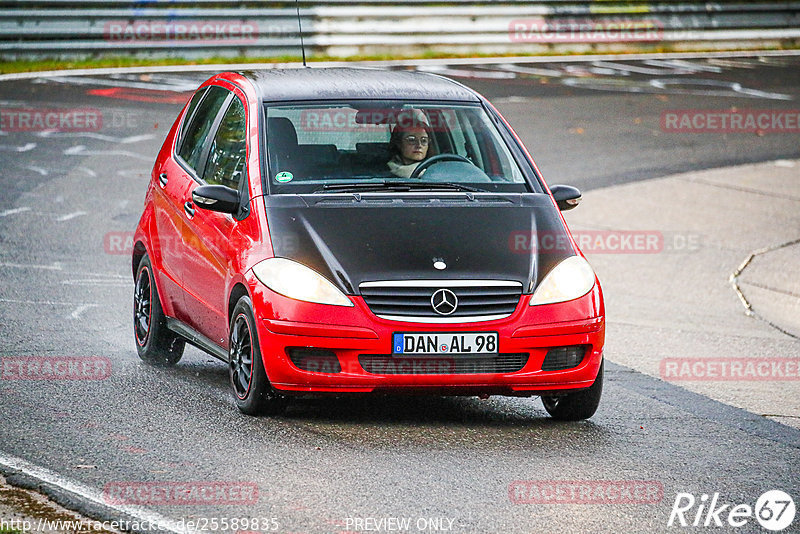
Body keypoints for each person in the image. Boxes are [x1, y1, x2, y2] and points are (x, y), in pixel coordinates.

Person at [387, 110, 437, 178]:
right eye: (412, 140)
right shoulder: (385, 173)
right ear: (399, 143)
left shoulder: (439, 169)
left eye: (424, 140)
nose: (419, 145)